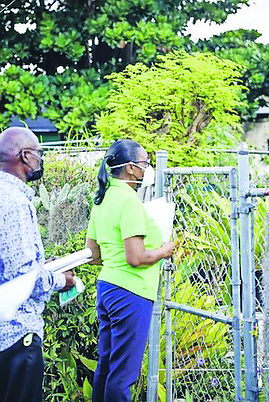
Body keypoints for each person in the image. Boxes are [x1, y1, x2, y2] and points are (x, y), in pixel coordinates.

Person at [85, 139, 174, 402]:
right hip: (131, 293)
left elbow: (93, 254)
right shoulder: (129, 201)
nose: (148, 169)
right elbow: (136, 257)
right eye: (146, 163)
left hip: (108, 289)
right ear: (133, 168)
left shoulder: (103, 198)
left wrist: (115, 259)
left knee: (107, 364)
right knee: (124, 374)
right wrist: (163, 250)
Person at [0, 127, 75, 402]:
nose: (41, 161)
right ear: (25, 156)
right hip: (16, 336)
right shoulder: (15, 201)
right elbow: (23, 276)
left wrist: (42, 266)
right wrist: (60, 280)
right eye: (39, 154)